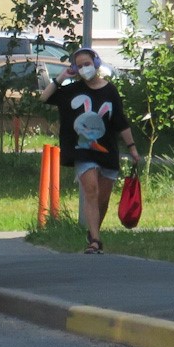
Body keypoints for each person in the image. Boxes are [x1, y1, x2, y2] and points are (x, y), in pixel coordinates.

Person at [39, 47, 141, 254]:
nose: (85, 68)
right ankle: (95, 240)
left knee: (102, 198)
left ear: (96, 64)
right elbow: (44, 98)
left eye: (88, 63)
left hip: (107, 150)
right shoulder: (72, 90)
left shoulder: (110, 90)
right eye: (80, 65)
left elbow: (120, 121)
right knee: (91, 191)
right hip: (82, 150)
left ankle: (94, 231)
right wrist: (61, 78)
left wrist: (132, 148)